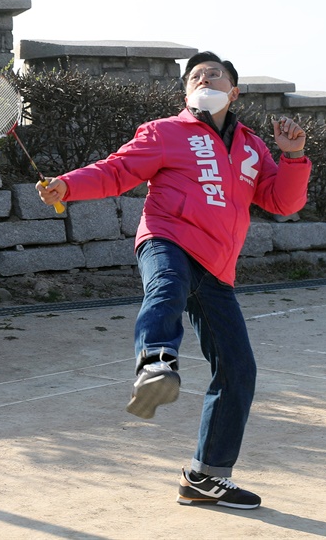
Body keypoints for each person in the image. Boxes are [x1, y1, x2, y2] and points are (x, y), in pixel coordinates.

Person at [36, 51, 311, 509]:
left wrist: (294, 156)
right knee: (165, 287)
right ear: (186, 92)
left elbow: (282, 202)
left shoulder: (252, 147)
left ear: (234, 91)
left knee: (239, 370)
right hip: (167, 239)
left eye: (214, 74)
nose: (204, 78)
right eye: (196, 76)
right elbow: (117, 170)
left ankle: (205, 476)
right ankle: (156, 364)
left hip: (218, 267)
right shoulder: (166, 132)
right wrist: (67, 184)